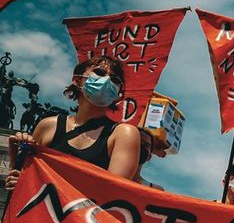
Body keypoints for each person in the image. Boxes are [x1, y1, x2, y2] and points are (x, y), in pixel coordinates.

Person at [4, 56, 140, 190]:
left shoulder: (123, 134)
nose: (106, 80)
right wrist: (17, 164)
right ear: (77, 80)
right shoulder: (48, 126)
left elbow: (114, 195)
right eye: (99, 73)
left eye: (115, 80)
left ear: (118, 95)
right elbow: (26, 179)